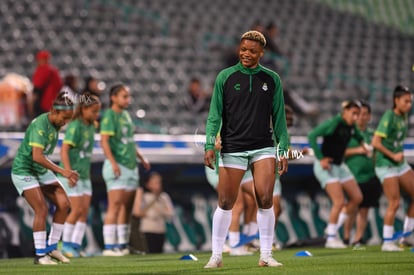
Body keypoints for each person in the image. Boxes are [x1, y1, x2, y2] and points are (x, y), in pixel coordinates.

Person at [204, 30, 289, 268]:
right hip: (232, 147)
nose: (246, 54)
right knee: (226, 201)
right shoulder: (225, 77)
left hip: (263, 147)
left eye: (252, 51)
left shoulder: (272, 79)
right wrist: (210, 144)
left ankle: (265, 254)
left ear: (262, 53)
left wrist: (283, 150)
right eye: (243, 49)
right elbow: (214, 116)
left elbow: (279, 118)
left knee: (265, 198)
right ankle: (217, 255)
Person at [10, 92, 78, 265]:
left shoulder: (55, 125)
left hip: (40, 170)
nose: (66, 122)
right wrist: (63, 171)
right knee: (41, 209)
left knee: (64, 204)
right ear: (54, 111)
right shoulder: (41, 124)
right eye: (64, 117)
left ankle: (52, 248)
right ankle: (40, 255)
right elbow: (37, 157)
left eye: (69, 118)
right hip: (24, 170)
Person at [100, 84, 150, 256]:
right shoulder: (109, 116)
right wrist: (112, 162)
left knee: (127, 208)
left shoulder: (126, 115)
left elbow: (129, 141)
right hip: (118, 165)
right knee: (114, 206)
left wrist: (141, 158)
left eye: (128, 96)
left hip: (130, 166)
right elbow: (104, 141)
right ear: (113, 97)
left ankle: (122, 245)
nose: (127, 100)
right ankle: (108, 247)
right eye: (124, 96)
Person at [308, 100, 363, 249]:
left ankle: (332, 228)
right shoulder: (335, 123)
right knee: (339, 201)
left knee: (357, 197)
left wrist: (363, 144)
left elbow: (358, 136)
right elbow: (312, 135)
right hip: (326, 166)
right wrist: (321, 158)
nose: (356, 117)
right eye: (354, 113)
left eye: (358, 114)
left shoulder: (351, 126)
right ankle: (331, 238)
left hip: (339, 165)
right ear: (345, 112)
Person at [371, 85, 414, 252]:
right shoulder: (389, 116)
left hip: (399, 163)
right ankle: (387, 242)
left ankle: (406, 237)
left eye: (410, 102)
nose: (409, 105)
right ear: (396, 101)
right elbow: (375, 142)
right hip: (385, 164)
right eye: (405, 101)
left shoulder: (403, 116)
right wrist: (393, 155)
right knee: (394, 203)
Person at [59, 93, 101, 258]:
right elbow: (64, 150)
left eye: (97, 111)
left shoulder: (91, 125)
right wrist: (68, 173)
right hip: (73, 174)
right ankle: (65, 246)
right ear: (83, 109)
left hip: (84, 175)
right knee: (75, 210)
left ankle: (76, 246)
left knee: (84, 212)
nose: (95, 114)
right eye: (93, 111)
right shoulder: (75, 126)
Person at [204, 136, 256, 256]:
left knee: (258, 197)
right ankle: (234, 245)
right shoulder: (218, 128)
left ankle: (248, 239)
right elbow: (211, 146)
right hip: (217, 171)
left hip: (236, 169)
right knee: (237, 205)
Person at [343, 100, 382, 247]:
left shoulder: (373, 135)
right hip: (351, 177)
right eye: (359, 114)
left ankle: (357, 239)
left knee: (364, 210)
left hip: (370, 176)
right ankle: (346, 237)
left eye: (365, 114)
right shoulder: (348, 133)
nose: (361, 117)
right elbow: (339, 152)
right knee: (351, 209)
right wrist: (359, 150)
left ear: (369, 117)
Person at [132, 172, 175, 253]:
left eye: (159, 182)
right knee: (149, 252)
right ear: (148, 184)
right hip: (147, 230)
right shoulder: (144, 196)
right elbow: (136, 212)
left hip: (160, 230)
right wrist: (150, 214)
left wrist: (162, 212)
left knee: (159, 252)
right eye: (155, 183)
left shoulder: (164, 196)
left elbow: (171, 212)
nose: (158, 185)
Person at [32, 50, 63, 117]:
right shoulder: (54, 70)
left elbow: (37, 87)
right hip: (54, 102)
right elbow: (59, 86)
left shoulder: (42, 69)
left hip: (43, 103)